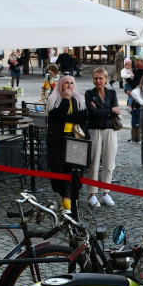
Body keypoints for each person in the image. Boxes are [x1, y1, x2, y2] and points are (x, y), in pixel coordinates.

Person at [45, 75, 88, 210]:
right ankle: (65, 199)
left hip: (74, 138)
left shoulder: (78, 99)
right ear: (60, 85)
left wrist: (67, 117)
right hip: (58, 140)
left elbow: (83, 117)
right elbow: (56, 116)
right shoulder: (53, 99)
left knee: (73, 169)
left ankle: (70, 198)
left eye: (71, 83)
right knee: (60, 169)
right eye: (66, 83)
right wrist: (65, 100)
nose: (69, 86)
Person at [84, 67, 121, 207]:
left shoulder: (112, 92)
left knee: (109, 162)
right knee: (93, 163)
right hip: (94, 130)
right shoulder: (89, 93)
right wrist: (110, 110)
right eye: (95, 78)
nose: (98, 81)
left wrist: (100, 110)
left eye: (100, 78)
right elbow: (92, 113)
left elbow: (116, 111)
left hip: (110, 130)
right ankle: (92, 194)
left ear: (106, 79)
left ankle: (106, 192)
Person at [120, 58, 137, 141]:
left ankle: (128, 105)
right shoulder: (124, 70)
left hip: (130, 85)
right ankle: (129, 105)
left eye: (129, 65)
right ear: (124, 65)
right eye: (127, 65)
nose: (128, 66)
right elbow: (124, 76)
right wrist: (130, 76)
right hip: (127, 85)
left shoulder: (131, 70)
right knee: (130, 95)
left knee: (130, 96)